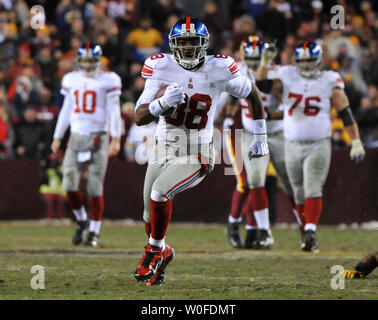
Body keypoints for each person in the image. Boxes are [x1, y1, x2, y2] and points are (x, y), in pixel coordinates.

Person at [133, 17, 268, 286]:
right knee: (148, 213)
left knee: (160, 191)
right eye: (181, 43)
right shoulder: (160, 66)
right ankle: (163, 251)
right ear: (173, 45)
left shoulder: (219, 68)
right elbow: (139, 116)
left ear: (204, 45)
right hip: (163, 146)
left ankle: (153, 251)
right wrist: (160, 104)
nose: (187, 49)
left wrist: (260, 135)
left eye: (193, 43)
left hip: (197, 150)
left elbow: (251, 92)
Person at [256, 40, 366, 252]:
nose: (306, 66)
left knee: (313, 186)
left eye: (310, 61)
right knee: (297, 192)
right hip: (291, 143)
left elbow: (345, 111)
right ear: (296, 61)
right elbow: (263, 86)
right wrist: (265, 61)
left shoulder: (329, 79)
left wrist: (356, 141)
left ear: (318, 61)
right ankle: (306, 230)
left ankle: (310, 232)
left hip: (318, 143)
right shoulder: (288, 74)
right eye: (302, 61)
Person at [223, 36, 294, 250]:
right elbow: (233, 97)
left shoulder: (276, 74)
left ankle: (254, 230)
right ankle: (234, 225)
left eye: (258, 58)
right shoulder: (239, 70)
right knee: (246, 183)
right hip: (241, 132)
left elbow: (287, 102)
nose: (253, 62)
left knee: (257, 183)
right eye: (250, 57)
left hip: (269, 133)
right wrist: (228, 118)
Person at [51, 43, 122, 247]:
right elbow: (66, 109)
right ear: (79, 61)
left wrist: (116, 138)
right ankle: (82, 220)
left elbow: (113, 110)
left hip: (99, 137)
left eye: (92, 61)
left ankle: (94, 232)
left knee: (94, 187)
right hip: (76, 137)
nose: (88, 65)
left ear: (98, 62)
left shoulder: (109, 80)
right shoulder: (71, 79)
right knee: (69, 185)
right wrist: (57, 136)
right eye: (85, 61)